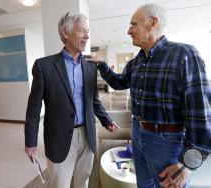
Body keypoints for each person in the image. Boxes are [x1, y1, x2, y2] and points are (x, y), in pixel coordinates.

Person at [87, 3, 211, 188]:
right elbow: (119, 82)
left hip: (167, 142)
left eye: (133, 24)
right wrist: (102, 64)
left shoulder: (184, 55)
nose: (129, 31)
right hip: (138, 133)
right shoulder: (138, 61)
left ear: (152, 23)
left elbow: (200, 113)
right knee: (144, 185)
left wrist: (186, 166)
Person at [24, 12, 118, 188]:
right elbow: (34, 109)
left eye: (88, 31)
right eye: (82, 30)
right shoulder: (44, 66)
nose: (87, 36)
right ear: (65, 33)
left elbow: (94, 100)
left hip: (88, 133)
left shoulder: (91, 65)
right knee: (59, 183)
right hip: (59, 137)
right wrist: (30, 142)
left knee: (83, 181)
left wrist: (107, 120)